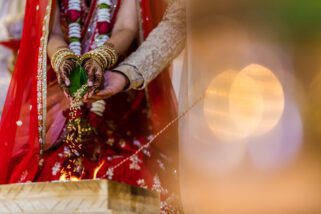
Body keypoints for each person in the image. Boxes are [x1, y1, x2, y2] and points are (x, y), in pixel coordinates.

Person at [0, 0, 185, 212]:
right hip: (62, 95)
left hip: (117, 104)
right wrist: (62, 57)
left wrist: (101, 56)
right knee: (39, 175)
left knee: (131, 176)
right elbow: (50, 32)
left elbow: (127, 27)